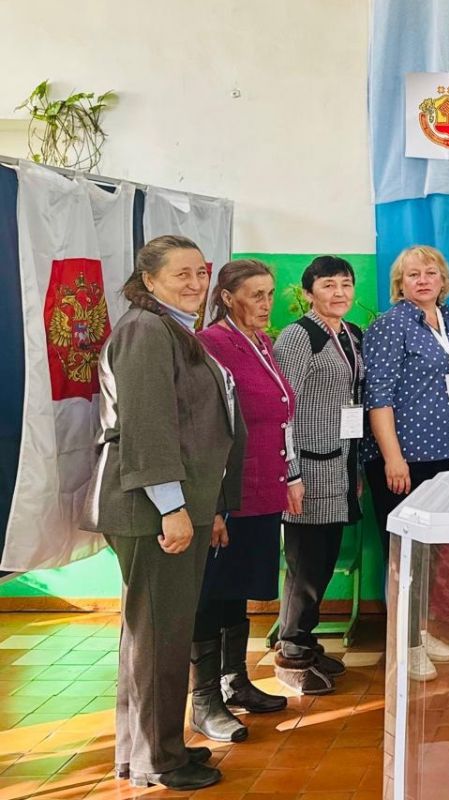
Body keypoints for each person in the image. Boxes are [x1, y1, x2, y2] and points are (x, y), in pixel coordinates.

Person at [81, 235, 244, 790]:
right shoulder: (146, 331)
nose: (196, 283)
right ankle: (158, 759)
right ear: (148, 280)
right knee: (158, 640)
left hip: (174, 506)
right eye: (181, 274)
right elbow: (149, 429)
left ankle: (150, 749)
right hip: (151, 510)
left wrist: (205, 506)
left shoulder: (172, 327)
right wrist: (173, 509)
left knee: (156, 636)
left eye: (201, 272)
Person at [189, 260, 292, 743]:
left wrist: (291, 476)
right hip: (228, 493)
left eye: (270, 293)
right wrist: (211, 505)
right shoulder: (211, 344)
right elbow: (203, 430)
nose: (266, 304)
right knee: (212, 592)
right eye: (256, 295)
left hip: (261, 488)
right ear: (228, 298)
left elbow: (279, 414)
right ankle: (204, 700)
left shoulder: (261, 342)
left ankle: (235, 681)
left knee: (237, 588)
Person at [362, 245, 449, 682]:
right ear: (399, 284)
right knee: (403, 557)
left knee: (429, 556)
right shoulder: (390, 326)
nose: (422, 280)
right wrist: (393, 458)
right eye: (412, 275)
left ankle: (419, 631)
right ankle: (405, 645)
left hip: (446, 457)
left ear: (443, 280)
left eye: (430, 273)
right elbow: (378, 397)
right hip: (405, 460)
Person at [272, 256, 363, 694]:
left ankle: (305, 640)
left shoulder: (349, 334)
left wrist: (355, 465)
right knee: (305, 566)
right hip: (307, 469)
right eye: (328, 285)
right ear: (309, 293)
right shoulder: (299, 336)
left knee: (324, 561)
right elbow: (281, 408)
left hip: (339, 466)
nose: (339, 292)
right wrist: (290, 473)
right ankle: (291, 652)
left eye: (345, 284)